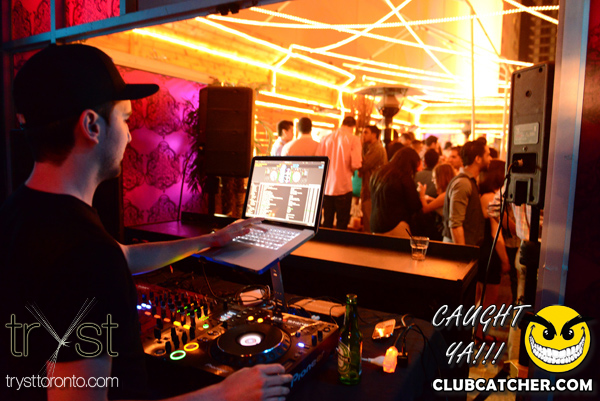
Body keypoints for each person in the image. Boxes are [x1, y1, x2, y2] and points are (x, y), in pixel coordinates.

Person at [1, 44, 292, 401]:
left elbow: (120, 256)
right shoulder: (86, 255)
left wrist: (208, 241)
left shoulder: (19, 213)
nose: (128, 134)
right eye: (124, 118)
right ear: (91, 125)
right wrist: (225, 394)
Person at [476, 160, 511, 341]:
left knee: (480, 296)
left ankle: (476, 332)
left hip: (482, 249)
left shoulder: (483, 194)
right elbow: (495, 232)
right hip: (491, 252)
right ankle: (478, 333)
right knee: (490, 297)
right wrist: (505, 260)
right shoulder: (493, 198)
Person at [316, 116, 362, 230]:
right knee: (342, 223)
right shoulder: (353, 139)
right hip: (344, 187)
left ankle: (326, 241)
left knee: (327, 221)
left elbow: (319, 161)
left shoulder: (326, 138)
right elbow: (356, 164)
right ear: (353, 127)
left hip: (327, 188)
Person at [442, 141, 491, 245]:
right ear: (478, 159)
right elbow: (455, 225)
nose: (490, 159)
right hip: (457, 246)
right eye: (487, 155)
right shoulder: (463, 183)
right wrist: (463, 251)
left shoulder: (469, 181)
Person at [370, 147, 423, 237]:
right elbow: (415, 206)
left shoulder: (378, 173)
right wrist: (421, 194)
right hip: (396, 225)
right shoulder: (403, 177)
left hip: (375, 224)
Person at [358, 125, 387, 232]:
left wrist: (359, 146)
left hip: (372, 191)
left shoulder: (377, 148)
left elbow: (363, 165)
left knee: (369, 223)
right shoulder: (372, 148)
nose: (363, 135)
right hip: (370, 189)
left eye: (366, 132)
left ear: (374, 135)